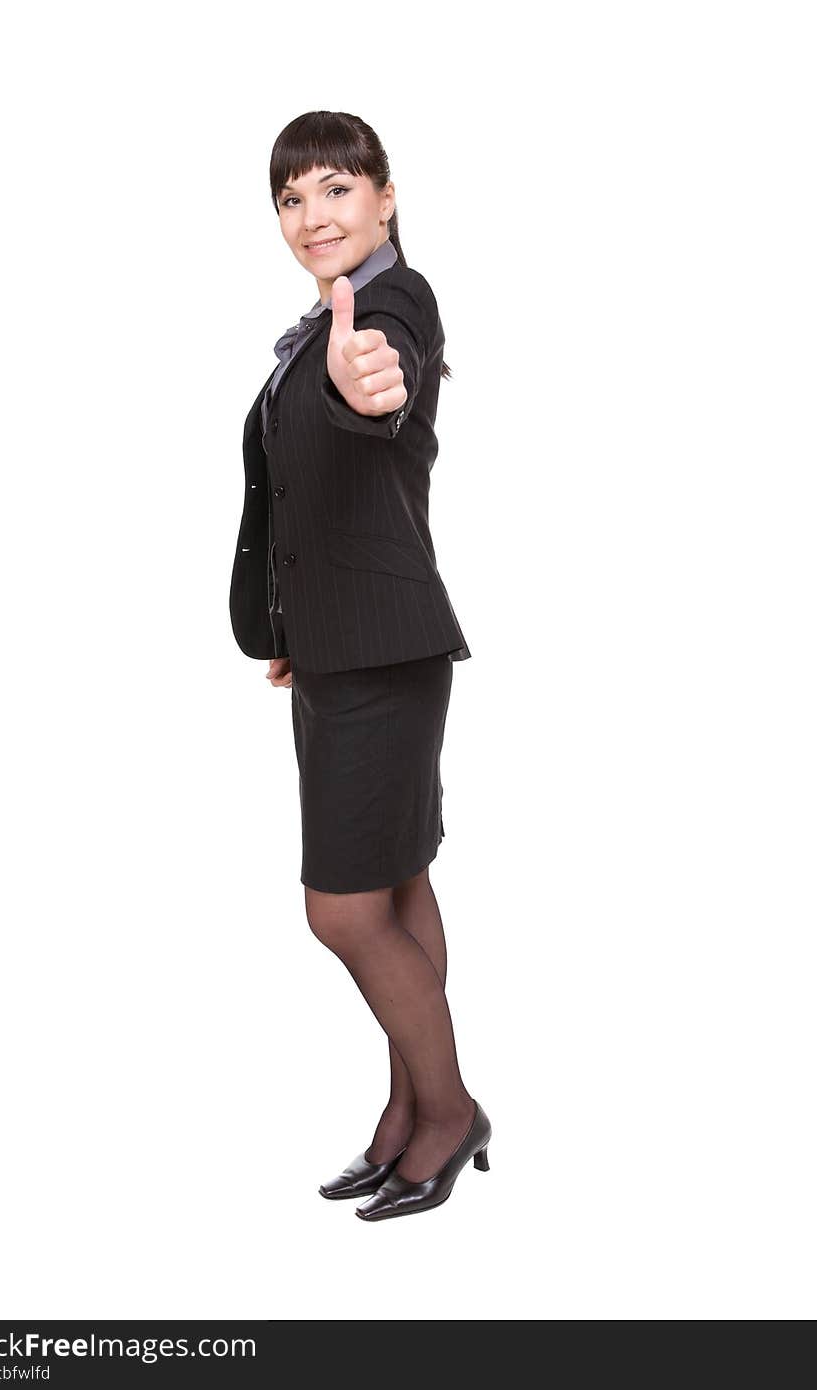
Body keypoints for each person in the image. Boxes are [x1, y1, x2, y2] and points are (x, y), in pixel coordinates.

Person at [229, 110, 491, 1220]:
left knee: (341, 910)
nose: (310, 217)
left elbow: (373, 393)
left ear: (384, 196)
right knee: (395, 881)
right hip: (352, 647)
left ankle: (448, 1110)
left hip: (384, 653)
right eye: (291, 198)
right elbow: (316, 492)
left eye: (334, 189)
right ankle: (405, 1112)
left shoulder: (389, 306)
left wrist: (358, 384)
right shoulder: (316, 324)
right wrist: (296, 620)